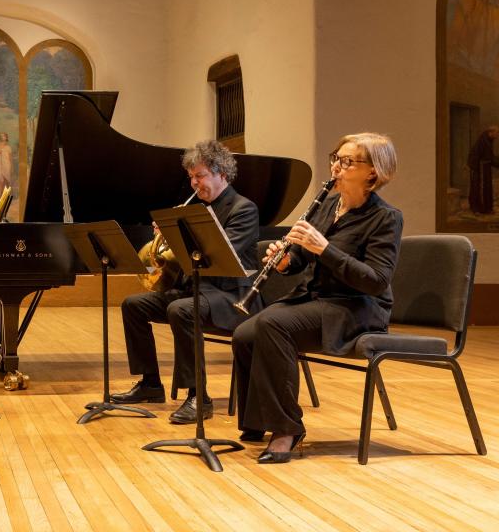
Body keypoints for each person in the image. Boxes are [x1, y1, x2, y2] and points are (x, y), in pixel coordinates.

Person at [232, 132, 402, 464]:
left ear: (373, 172)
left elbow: (376, 281)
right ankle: (257, 420)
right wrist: (284, 261)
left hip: (356, 307)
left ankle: (286, 428)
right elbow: (301, 261)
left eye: (348, 161)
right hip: (317, 299)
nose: (337, 167)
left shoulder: (385, 218)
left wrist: (324, 247)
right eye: (336, 158)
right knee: (244, 334)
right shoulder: (326, 205)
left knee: (272, 324)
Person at [109, 140, 261, 424]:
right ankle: (151, 384)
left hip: (233, 296)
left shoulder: (243, 209)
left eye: (200, 175)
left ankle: (198, 397)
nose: (194, 183)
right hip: (196, 291)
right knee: (134, 305)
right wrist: (171, 234)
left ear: (222, 174)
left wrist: (183, 234)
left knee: (182, 309)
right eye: (191, 177)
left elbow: (219, 257)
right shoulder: (197, 210)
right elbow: (186, 261)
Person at [467, 125, 499, 214]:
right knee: (477, 188)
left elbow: (489, 157)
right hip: (479, 168)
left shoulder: (489, 140)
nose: (498, 134)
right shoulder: (483, 141)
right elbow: (479, 155)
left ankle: (487, 208)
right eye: (497, 132)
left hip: (485, 168)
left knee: (487, 187)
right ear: (491, 132)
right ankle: (477, 209)